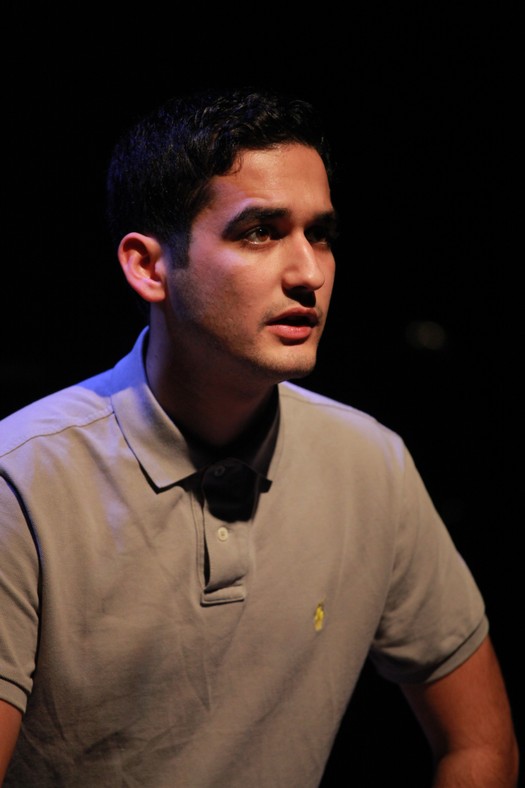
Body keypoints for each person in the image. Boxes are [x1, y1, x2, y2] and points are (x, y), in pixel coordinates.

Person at [0, 86, 519, 787]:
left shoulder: (370, 463)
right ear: (148, 267)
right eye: (260, 232)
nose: (309, 273)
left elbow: (481, 744)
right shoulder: (21, 481)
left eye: (320, 234)